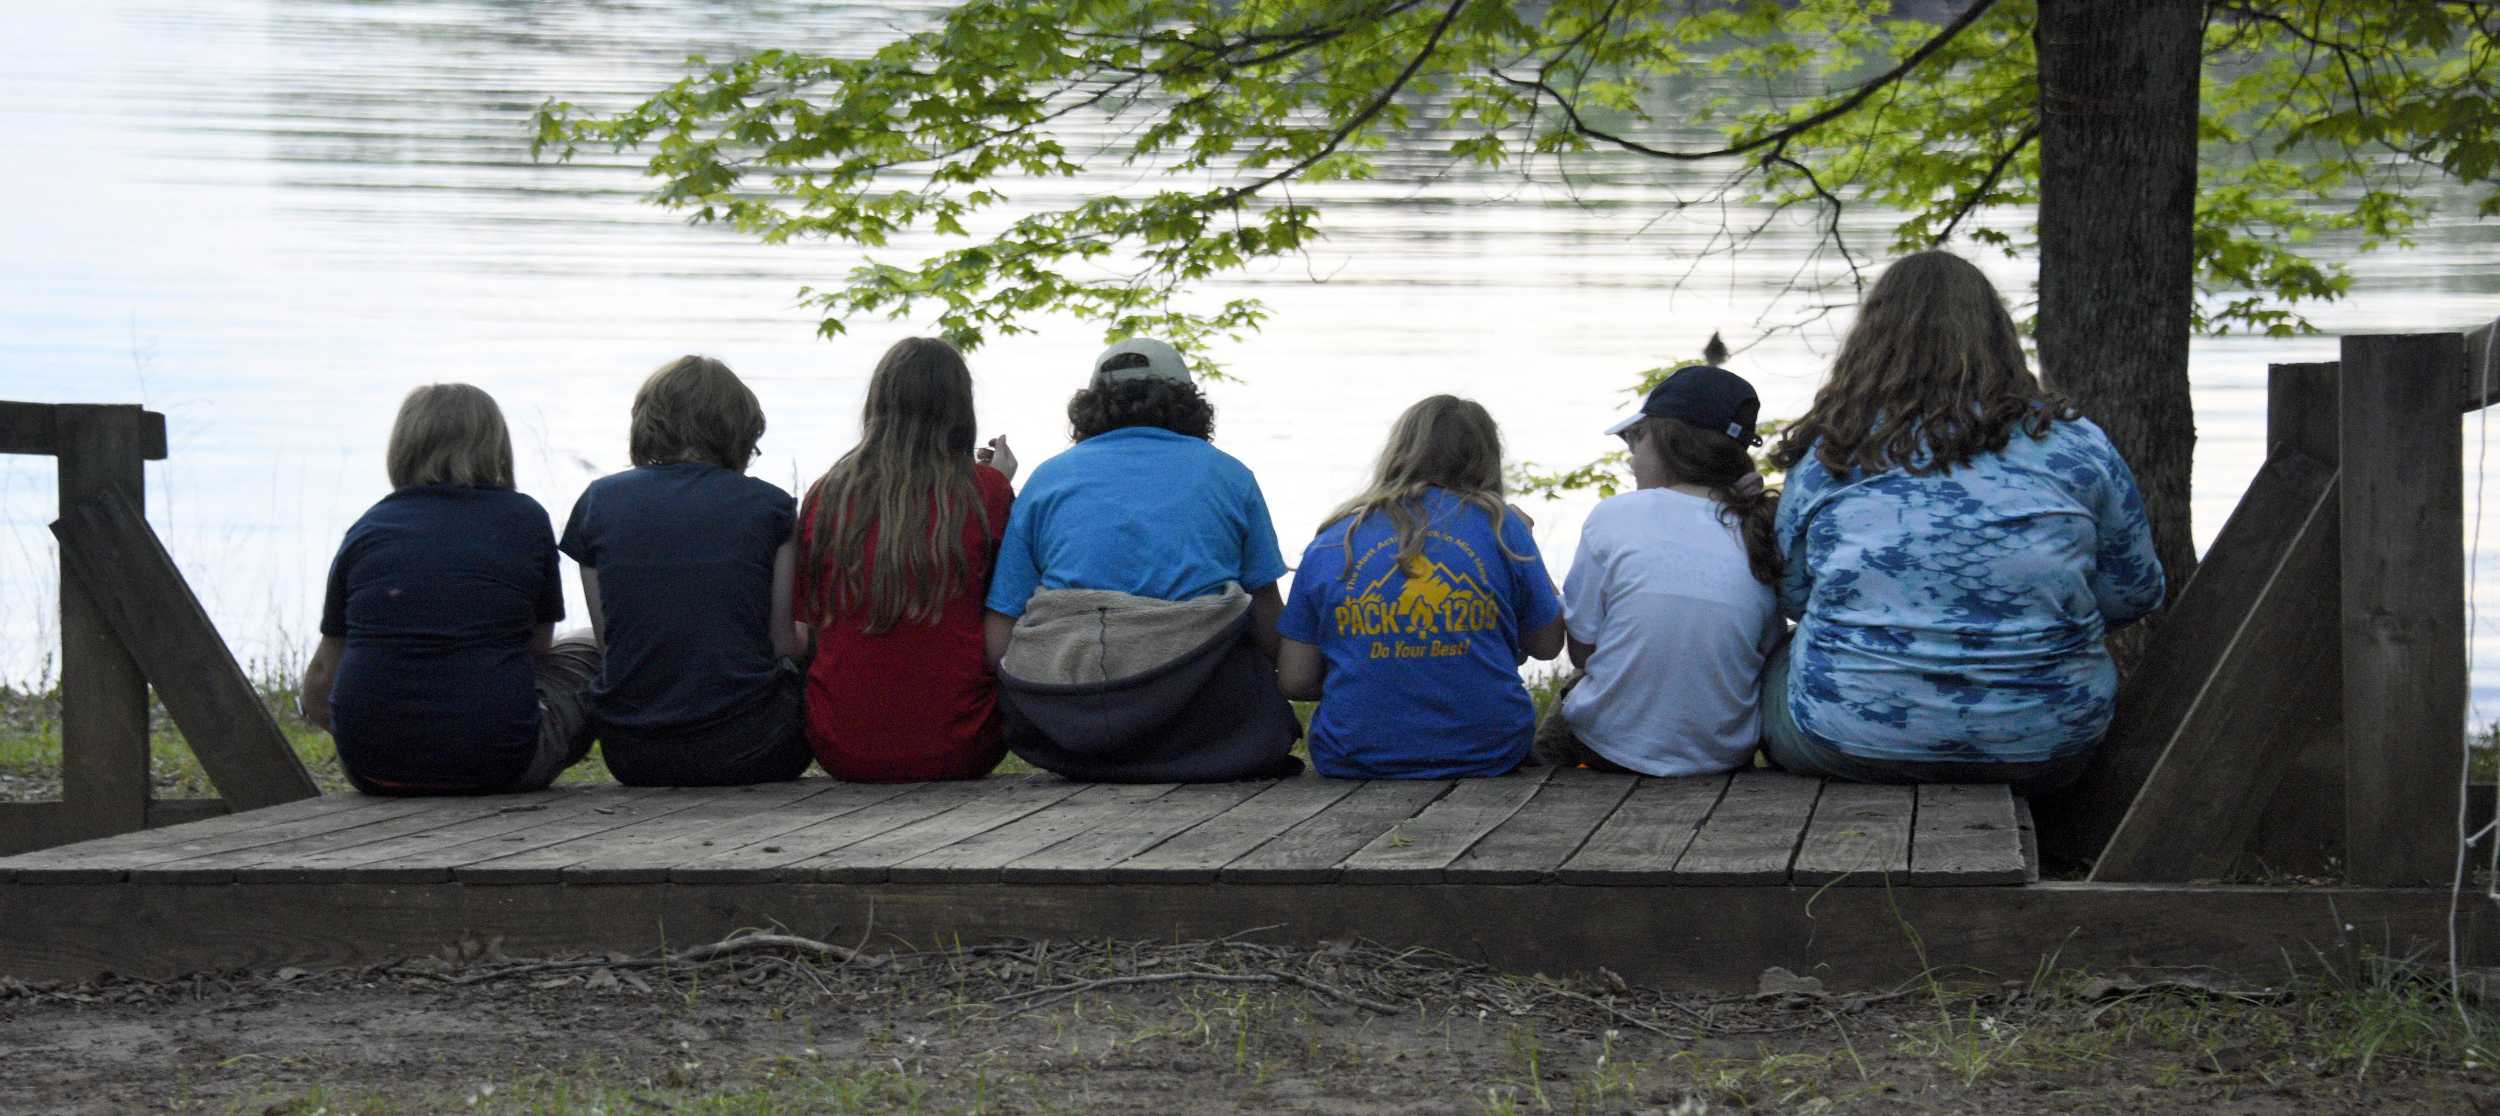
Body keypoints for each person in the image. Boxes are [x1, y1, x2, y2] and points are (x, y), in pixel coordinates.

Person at [1767, 249, 2167, 795]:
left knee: (1775, 663)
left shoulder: (1830, 452)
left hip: (1848, 742)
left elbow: (1792, 594)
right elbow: (2135, 592)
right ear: (2000, 337)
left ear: (1870, 342)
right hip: (2045, 744)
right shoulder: (2076, 446)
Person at [981, 338, 1302, 782]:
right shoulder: (1228, 473)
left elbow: (1001, 625)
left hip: (1067, 722)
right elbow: (1267, 606)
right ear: (1188, 403)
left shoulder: (1048, 478)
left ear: (1091, 405)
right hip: (1200, 718)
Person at [300, 383, 597, 795]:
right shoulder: (524, 519)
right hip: (500, 764)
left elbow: (319, 683)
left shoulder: (368, 529)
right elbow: (537, 649)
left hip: (371, 770)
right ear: (496, 446)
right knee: (591, 647)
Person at [1276, 395, 1565, 778]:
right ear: (1487, 457)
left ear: (1397, 450)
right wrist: (1526, 543)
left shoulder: (1335, 538)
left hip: (1355, 754)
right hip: (1489, 751)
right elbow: (1546, 647)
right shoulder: (1502, 528)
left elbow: (1295, 679)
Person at [559, 355, 813, 786]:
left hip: (634, 755)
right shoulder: (771, 508)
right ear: (742, 429)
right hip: (758, 748)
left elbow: (609, 642)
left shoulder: (597, 503)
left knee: (577, 641)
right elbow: (782, 642)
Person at [1532, 364, 1784, 777]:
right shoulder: (1760, 526)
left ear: (1668, 442)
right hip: (1722, 755)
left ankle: (1540, 770)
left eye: (1636, 438)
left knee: (1571, 700)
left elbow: (1581, 651)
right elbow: (1767, 649)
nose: (1630, 458)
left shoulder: (1615, 516)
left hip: (1607, 748)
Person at [796, 337, 1017, 782]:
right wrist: (999, 481)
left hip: (841, 746)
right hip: (962, 744)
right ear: (959, 407)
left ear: (879, 402)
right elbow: (1001, 616)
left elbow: (810, 622)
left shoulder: (827, 492)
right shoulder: (986, 492)